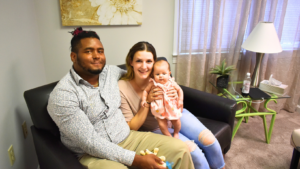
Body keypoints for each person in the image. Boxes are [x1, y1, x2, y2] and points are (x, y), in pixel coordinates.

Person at [47, 27, 194, 169]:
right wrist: (137, 160)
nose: (97, 56)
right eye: (88, 51)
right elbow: (90, 142)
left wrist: (169, 84)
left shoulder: (111, 72)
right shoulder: (63, 95)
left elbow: (141, 73)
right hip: (92, 153)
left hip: (128, 138)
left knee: (180, 149)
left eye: (100, 51)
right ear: (73, 56)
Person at [118, 41, 226, 169]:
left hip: (176, 115)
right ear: (131, 62)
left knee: (210, 140)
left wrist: (176, 96)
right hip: (156, 126)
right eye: (139, 61)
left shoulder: (160, 76)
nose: (144, 66)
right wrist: (147, 102)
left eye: (149, 61)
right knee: (194, 151)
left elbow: (177, 91)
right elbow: (132, 127)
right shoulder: (122, 87)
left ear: (154, 62)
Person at [141, 60, 183, 139]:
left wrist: (180, 100)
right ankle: (168, 136)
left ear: (169, 74)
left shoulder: (171, 82)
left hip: (172, 107)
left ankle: (176, 132)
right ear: (153, 75)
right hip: (159, 108)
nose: (161, 76)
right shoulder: (152, 83)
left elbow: (180, 90)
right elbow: (145, 91)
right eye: (157, 74)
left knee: (176, 121)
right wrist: (144, 100)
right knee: (161, 124)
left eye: (164, 74)